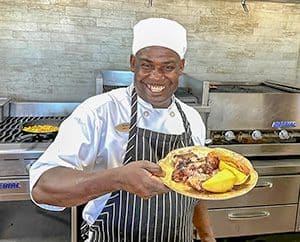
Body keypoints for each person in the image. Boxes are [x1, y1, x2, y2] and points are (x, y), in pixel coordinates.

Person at [30, 17, 216, 242]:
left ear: (181, 68)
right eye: (146, 65)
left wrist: (207, 236)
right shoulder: (99, 111)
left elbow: (196, 189)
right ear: (132, 63)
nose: (156, 77)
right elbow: (42, 187)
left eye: (168, 67)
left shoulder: (193, 119)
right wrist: (116, 179)